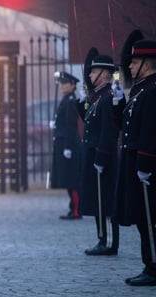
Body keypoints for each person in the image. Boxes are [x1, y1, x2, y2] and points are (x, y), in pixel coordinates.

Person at [114, 35, 156, 286]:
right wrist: (118, 105)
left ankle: (153, 267)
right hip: (135, 162)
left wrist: (145, 165)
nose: (129, 66)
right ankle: (149, 263)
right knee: (142, 217)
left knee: (149, 217)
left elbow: (150, 132)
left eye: (134, 61)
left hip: (146, 165)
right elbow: (125, 125)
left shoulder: (151, 91)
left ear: (147, 63)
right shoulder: (141, 89)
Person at [75, 50, 120, 256]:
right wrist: (82, 102)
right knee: (97, 199)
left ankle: (108, 242)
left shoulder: (108, 97)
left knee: (105, 201)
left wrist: (102, 157)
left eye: (94, 72)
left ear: (104, 73)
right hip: (94, 155)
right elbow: (90, 122)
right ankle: (101, 238)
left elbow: (108, 131)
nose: (90, 76)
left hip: (102, 156)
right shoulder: (98, 97)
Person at [51, 71, 82, 220]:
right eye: (62, 84)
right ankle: (73, 208)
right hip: (62, 141)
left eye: (66, 84)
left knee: (71, 178)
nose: (63, 86)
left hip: (68, 143)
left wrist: (68, 147)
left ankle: (76, 209)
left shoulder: (70, 101)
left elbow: (71, 126)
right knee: (67, 178)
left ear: (73, 85)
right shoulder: (66, 99)